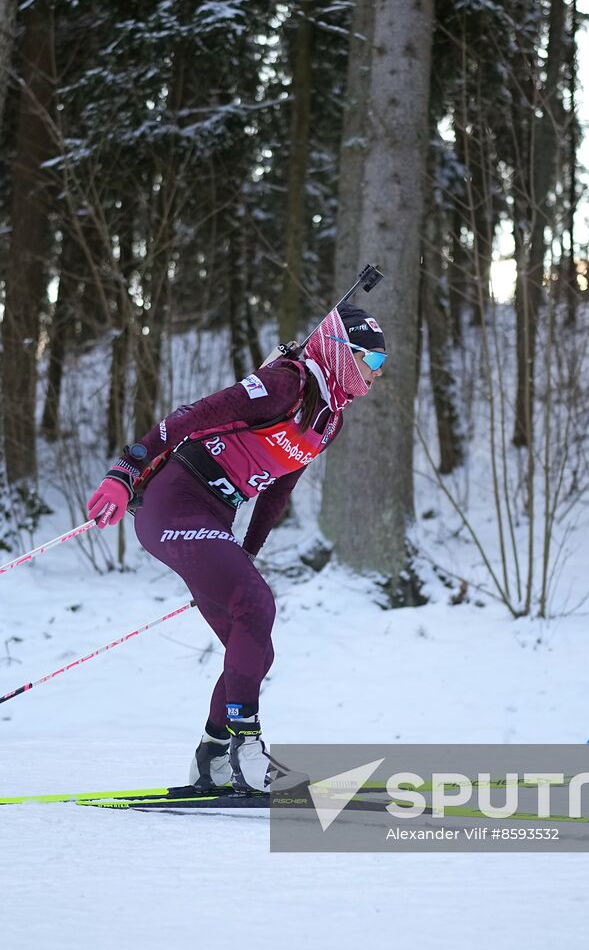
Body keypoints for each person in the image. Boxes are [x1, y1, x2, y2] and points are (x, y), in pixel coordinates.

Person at [85, 303, 387, 793]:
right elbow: (193, 415)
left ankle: (212, 759)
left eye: (381, 366)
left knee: (253, 648)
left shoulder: (328, 420)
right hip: (174, 503)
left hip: (214, 517)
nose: (374, 376)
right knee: (257, 606)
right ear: (336, 352)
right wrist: (125, 470)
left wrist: (248, 549)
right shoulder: (284, 385)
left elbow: (278, 488)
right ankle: (248, 749)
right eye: (369, 362)